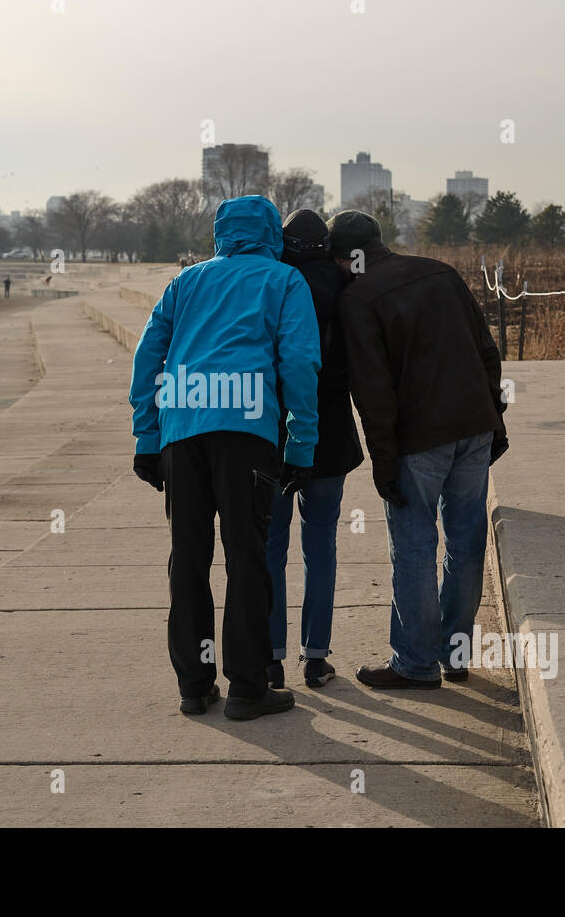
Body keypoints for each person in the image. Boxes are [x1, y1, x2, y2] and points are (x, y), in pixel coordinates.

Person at [130, 195, 321, 720]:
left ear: (220, 232)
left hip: (183, 428)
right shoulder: (284, 281)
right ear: (270, 233)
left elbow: (148, 356)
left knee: (188, 559)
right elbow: (300, 362)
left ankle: (194, 685)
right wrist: (301, 445)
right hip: (247, 433)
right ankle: (247, 688)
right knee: (246, 558)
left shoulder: (185, 283)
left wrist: (147, 437)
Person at [330, 210, 508, 690]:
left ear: (350, 258)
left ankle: (415, 663)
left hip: (418, 440)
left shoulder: (357, 299)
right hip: (474, 427)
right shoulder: (442, 272)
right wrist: (497, 420)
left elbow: (373, 393)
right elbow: (487, 352)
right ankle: (455, 654)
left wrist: (384, 463)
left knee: (413, 547)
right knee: (466, 542)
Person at [264, 210, 364, 691]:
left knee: (270, 549)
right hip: (329, 435)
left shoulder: (274, 282)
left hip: (275, 434)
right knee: (320, 546)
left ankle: (271, 657)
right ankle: (316, 657)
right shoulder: (345, 287)